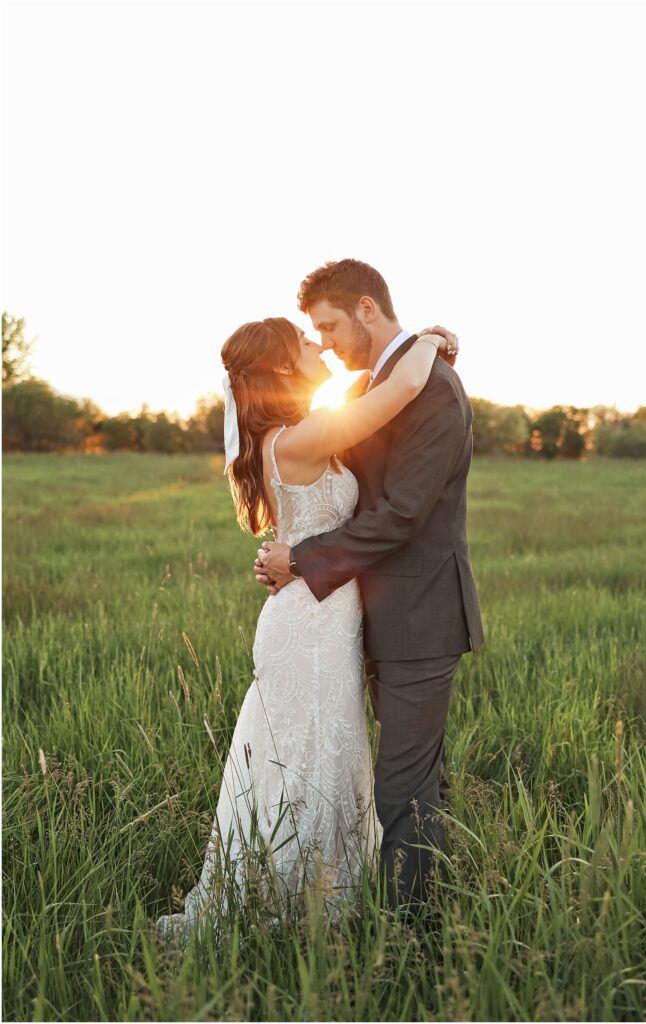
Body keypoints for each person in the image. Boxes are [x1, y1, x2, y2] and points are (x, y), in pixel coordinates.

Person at [156, 314, 453, 944]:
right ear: (286, 368)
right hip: (310, 626)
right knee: (314, 756)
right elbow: (396, 394)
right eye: (306, 343)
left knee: (320, 752)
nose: (319, 347)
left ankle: (315, 887)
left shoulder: (290, 437)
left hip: (317, 615)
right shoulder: (299, 440)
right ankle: (305, 904)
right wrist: (428, 342)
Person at [255, 260, 484, 911]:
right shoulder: (380, 384)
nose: (323, 342)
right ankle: (434, 906)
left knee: (401, 788)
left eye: (327, 326)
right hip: (377, 613)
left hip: (421, 614)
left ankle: (416, 951)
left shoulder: (433, 388)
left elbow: (403, 513)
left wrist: (302, 560)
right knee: (415, 782)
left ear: (364, 308)